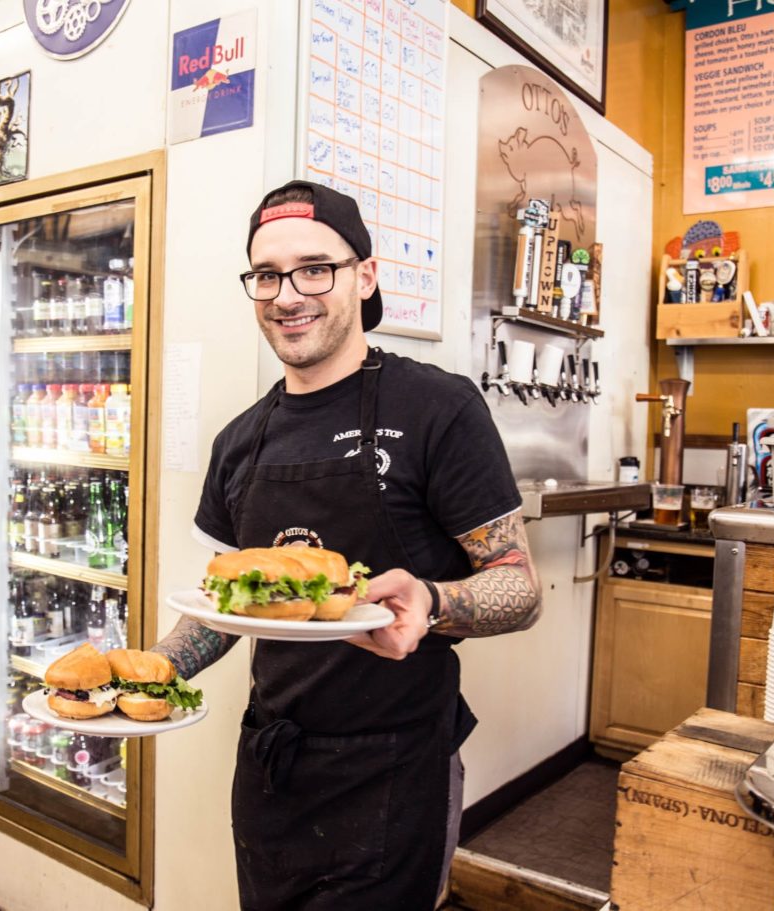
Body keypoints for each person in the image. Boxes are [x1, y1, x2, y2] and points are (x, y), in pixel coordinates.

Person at [153, 180, 540, 910]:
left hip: (395, 766)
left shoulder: (438, 408)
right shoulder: (239, 441)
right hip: (272, 763)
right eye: (266, 275)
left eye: (314, 268)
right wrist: (150, 671)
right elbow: (222, 604)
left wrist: (432, 599)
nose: (287, 294)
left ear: (364, 276)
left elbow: (519, 586)